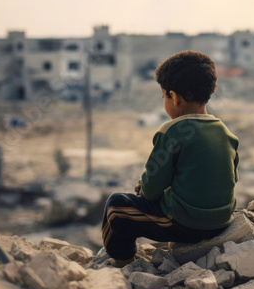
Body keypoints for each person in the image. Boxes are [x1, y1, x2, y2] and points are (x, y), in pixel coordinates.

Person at [101, 50, 239, 267]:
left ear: (173, 97)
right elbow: (226, 178)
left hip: (187, 225)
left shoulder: (172, 131)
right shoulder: (226, 133)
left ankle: (123, 260)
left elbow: (151, 190)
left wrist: (146, 187)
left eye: (163, 96)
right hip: (221, 222)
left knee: (115, 207)